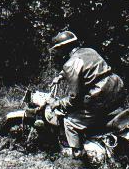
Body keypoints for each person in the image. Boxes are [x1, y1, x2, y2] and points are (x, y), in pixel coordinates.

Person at [49, 31, 124, 159]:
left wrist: (58, 102)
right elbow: (85, 65)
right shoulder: (89, 51)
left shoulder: (70, 63)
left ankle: (78, 156)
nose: (58, 52)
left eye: (58, 49)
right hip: (117, 88)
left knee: (69, 122)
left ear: (62, 48)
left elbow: (74, 98)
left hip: (100, 95)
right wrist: (60, 76)